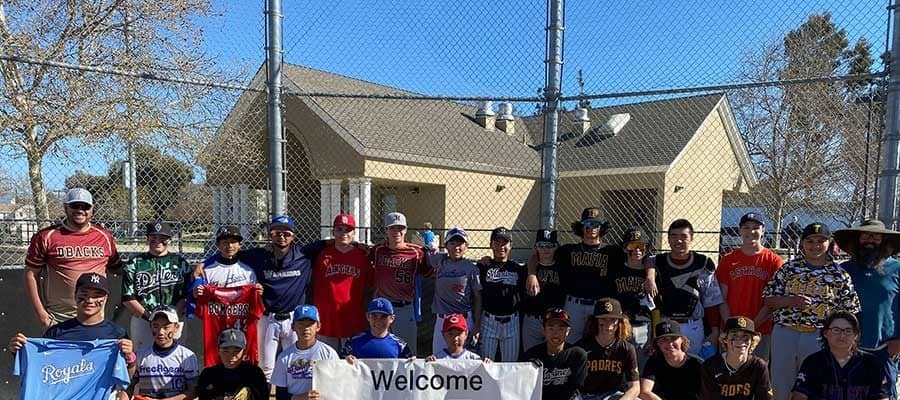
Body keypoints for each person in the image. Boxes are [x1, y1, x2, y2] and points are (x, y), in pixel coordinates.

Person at [763, 222, 861, 400]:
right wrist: (791, 301)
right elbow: (769, 300)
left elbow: (850, 310)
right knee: (781, 383)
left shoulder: (839, 274)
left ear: (829, 243)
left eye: (821, 241)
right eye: (810, 241)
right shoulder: (788, 269)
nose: (815, 246)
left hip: (819, 335)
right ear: (802, 243)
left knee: (815, 383)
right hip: (786, 331)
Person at [9, 272, 136, 400]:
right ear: (75, 295)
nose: (90, 300)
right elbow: (38, 369)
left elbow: (128, 378)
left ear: (106, 298)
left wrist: (130, 357)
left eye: (97, 295)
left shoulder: (116, 334)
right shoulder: (57, 332)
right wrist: (19, 351)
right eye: (84, 294)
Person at [25, 187, 122, 328]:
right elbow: (31, 273)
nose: (80, 210)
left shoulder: (104, 236)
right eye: (75, 206)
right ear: (66, 207)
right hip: (59, 316)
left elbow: (117, 268)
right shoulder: (46, 236)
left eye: (85, 206)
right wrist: (41, 314)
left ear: (92, 209)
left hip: (95, 315)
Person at [527, 207, 626, 342]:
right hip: (573, 304)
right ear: (581, 226)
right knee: (569, 342)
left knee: (596, 342)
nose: (591, 228)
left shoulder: (612, 252)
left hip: (598, 306)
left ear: (602, 227)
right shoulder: (567, 251)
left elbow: (643, 259)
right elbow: (536, 256)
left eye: (596, 224)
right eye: (587, 224)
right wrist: (532, 274)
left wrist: (650, 275)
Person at [835, 219, 900, 399]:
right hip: (848, 346)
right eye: (865, 235)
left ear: (884, 240)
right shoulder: (843, 270)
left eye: (876, 236)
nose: (870, 240)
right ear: (856, 239)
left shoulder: (897, 269)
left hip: (885, 348)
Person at [648, 218, 725, 355]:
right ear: (668, 239)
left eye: (683, 236)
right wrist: (650, 275)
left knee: (695, 364)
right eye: (674, 236)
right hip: (666, 324)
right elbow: (646, 259)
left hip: (693, 325)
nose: (678, 241)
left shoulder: (703, 263)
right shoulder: (657, 262)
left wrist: (714, 331)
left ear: (691, 238)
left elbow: (711, 300)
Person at [716, 212, 784, 360]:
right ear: (740, 230)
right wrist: (732, 326)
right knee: (729, 368)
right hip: (731, 329)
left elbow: (772, 302)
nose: (751, 231)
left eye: (756, 227)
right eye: (746, 227)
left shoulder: (774, 261)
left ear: (763, 230)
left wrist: (750, 328)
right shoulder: (728, 260)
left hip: (760, 330)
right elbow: (722, 298)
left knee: (757, 369)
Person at [791, 311, 890, 400]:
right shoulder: (812, 362)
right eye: (836, 330)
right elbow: (799, 395)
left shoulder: (872, 363)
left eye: (848, 331)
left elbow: (882, 397)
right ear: (825, 333)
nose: (842, 336)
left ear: (856, 335)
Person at [122, 221, 191, 349]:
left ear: (169, 240)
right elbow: (127, 297)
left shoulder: (180, 263)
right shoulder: (135, 263)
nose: (158, 241)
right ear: (147, 239)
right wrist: (150, 318)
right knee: (142, 356)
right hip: (143, 319)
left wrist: (173, 315)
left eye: (163, 238)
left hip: (174, 319)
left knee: (176, 356)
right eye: (153, 237)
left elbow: (187, 294)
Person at [311, 213, 373, 350]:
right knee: (326, 360)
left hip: (352, 318)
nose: (343, 233)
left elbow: (371, 283)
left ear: (354, 233)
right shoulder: (323, 255)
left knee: (351, 359)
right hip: (327, 318)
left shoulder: (361, 257)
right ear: (333, 231)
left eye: (348, 230)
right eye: (339, 229)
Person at [370, 212, 428, 356]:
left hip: (404, 308)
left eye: (400, 228)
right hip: (381, 309)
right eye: (393, 228)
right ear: (386, 230)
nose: (397, 232)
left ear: (406, 230)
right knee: (380, 350)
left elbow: (429, 271)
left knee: (408, 353)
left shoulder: (416, 253)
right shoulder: (378, 250)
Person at [426, 226, 482, 354]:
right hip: (442, 319)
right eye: (452, 243)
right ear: (446, 246)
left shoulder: (471, 268)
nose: (456, 247)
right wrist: (429, 241)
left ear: (466, 246)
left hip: (464, 319)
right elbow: (426, 252)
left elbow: (478, 298)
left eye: (460, 243)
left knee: (465, 361)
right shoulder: (439, 260)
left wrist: (477, 325)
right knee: (438, 359)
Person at [575, 298, 640, 400]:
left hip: (614, 395)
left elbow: (635, 387)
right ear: (595, 321)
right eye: (603, 318)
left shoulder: (627, 348)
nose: (608, 323)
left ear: (620, 322)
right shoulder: (581, 348)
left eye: (613, 319)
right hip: (586, 396)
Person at [130, 306, 199, 400]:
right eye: (156, 326)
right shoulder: (140, 355)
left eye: (166, 327)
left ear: (176, 328)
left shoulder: (187, 356)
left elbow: (193, 392)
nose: (160, 332)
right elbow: (128, 386)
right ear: (150, 326)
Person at [271, 304, 339, 400]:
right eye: (301, 323)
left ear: (318, 326)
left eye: (310, 324)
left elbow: (338, 387)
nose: (306, 328)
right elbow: (280, 395)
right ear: (293, 327)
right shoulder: (284, 357)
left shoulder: (329, 354)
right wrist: (300, 398)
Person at [478, 227, 525, 362]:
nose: (501, 246)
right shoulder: (483, 267)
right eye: (497, 242)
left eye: (504, 242)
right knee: (486, 364)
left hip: (512, 321)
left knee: (510, 365)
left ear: (510, 245)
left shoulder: (517, 269)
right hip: (489, 320)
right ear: (491, 245)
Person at [521, 308, 588, 400]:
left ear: (567, 331)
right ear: (543, 330)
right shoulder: (531, 356)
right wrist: (529, 367)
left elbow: (575, 388)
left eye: (561, 329)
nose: (555, 333)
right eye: (551, 328)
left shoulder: (577, 355)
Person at [700, 316, 773, 400]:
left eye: (745, 337)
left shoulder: (759, 366)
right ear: (725, 339)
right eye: (734, 336)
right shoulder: (710, 367)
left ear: (752, 341)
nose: (740, 341)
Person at [612, 227, 653, 369]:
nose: (637, 250)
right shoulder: (616, 272)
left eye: (641, 246)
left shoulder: (651, 276)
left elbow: (656, 307)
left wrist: (654, 335)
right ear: (624, 248)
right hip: (621, 325)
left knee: (641, 366)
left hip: (644, 325)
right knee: (621, 366)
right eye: (632, 246)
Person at [521, 229, 565, 351]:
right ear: (535, 247)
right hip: (532, 319)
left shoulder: (563, 268)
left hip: (554, 320)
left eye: (550, 246)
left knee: (554, 354)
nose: (546, 249)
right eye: (542, 245)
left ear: (556, 247)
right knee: (531, 355)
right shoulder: (527, 269)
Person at [195, 328, 268, 400]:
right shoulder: (208, 375)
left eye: (236, 351)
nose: (231, 356)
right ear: (218, 350)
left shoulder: (254, 374)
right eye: (225, 351)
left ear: (244, 351)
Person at [639, 320, 703, 400]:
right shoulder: (653, 363)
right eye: (664, 339)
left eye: (673, 338)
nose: (670, 343)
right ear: (657, 343)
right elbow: (644, 391)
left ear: (682, 340)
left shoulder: (697, 364)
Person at [341, 298, 412, 360]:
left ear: (392, 318)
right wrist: (346, 360)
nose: (378, 320)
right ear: (368, 316)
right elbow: (340, 364)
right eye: (374, 316)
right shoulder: (353, 341)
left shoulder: (401, 345)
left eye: (383, 316)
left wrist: (413, 362)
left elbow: (408, 367)